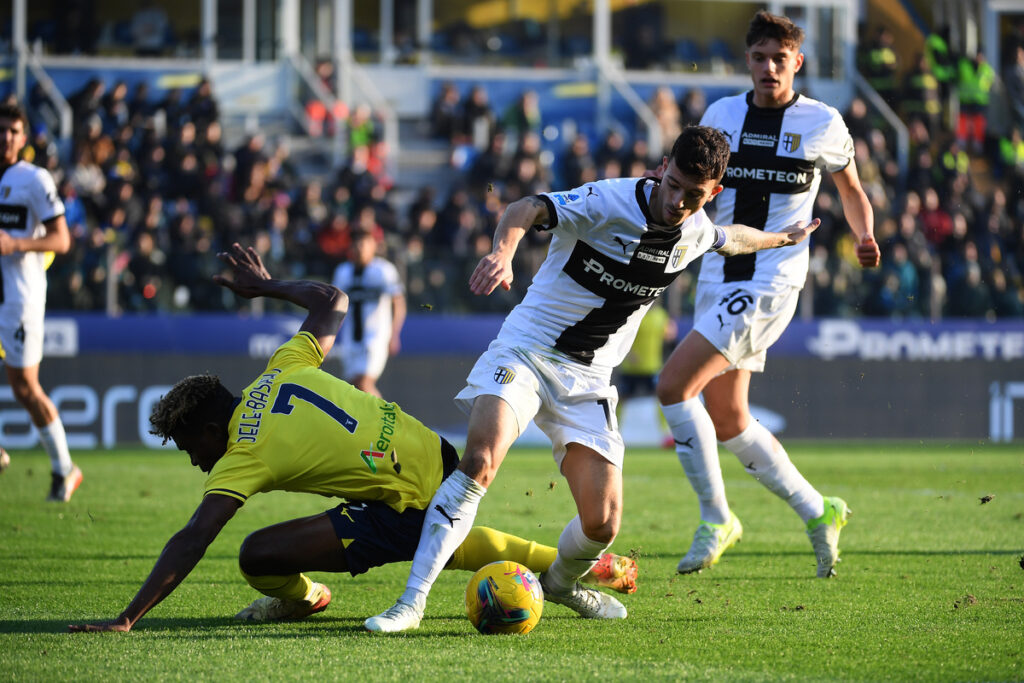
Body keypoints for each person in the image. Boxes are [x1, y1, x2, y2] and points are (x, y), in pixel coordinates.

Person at [364, 125, 821, 633]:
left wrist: (783, 237)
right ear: (661, 169)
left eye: (694, 195)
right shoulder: (609, 200)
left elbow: (731, 239)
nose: (677, 202)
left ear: (712, 192)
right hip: (527, 350)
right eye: (672, 185)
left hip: (589, 380)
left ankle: (559, 584)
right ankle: (411, 602)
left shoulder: (694, 229)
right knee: (480, 461)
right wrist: (504, 251)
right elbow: (527, 208)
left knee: (602, 523)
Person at [68, 244, 637, 633]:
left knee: (257, 555)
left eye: (191, 448)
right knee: (443, 532)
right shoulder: (281, 368)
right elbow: (331, 301)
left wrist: (128, 617)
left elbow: (193, 538)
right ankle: (593, 566)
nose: (196, 463)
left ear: (210, 430)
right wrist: (265, 287)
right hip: (431, 452)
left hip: (400, 497)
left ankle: (305, 598)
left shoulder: (241, 453)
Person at [655, 11, 880, 580]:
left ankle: (716, 517)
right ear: (748, 61)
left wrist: (864, 234)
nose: (769, 68)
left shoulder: (822, 122)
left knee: (674, 385)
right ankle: (818, 509)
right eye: (759, 57)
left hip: (772, 280)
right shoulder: (721, 115)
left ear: (796, 63)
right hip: (718, 274)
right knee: (728, 416)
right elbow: (698, 192)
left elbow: (851, 189)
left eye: (780, 59)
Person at [0, 102, 80, 502]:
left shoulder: (32, 179)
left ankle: (65, 469)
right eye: (2, 130)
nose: (6, 138)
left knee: (25, 388)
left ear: (24, 138)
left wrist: (15, 243)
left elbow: (62, 239)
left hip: (20, 298)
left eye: (14, 131)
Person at [330, 226, 405, 397]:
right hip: (351, 339)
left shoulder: (384, 270)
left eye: (364, 244)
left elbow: (399, 304)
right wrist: (331, 337)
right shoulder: (343, 272)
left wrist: (394, 334)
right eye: (356, 244)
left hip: (376, 337)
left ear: (373, 246)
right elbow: (336, 310)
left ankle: (388, 421)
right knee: (353, 388)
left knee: (364, 382)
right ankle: (371, 422)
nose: (359, 248)